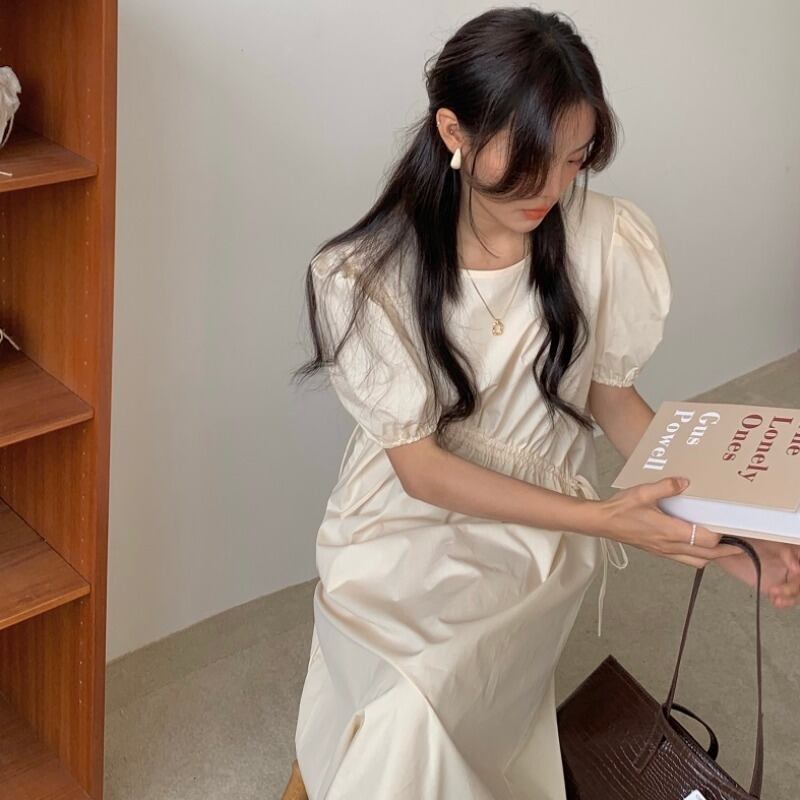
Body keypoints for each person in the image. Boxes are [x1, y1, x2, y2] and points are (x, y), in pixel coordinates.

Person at [289, 7, 800, 799]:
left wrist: (735, 536)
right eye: (531, 158)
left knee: (428, 705)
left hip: (532, 536)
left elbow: (615, 404)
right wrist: (606, 518)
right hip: (399, 523)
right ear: (453, 131)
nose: (554, 187)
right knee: (406, 708)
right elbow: (421, 471)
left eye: (574, 158)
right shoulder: (364, 275)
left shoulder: (602, 238)